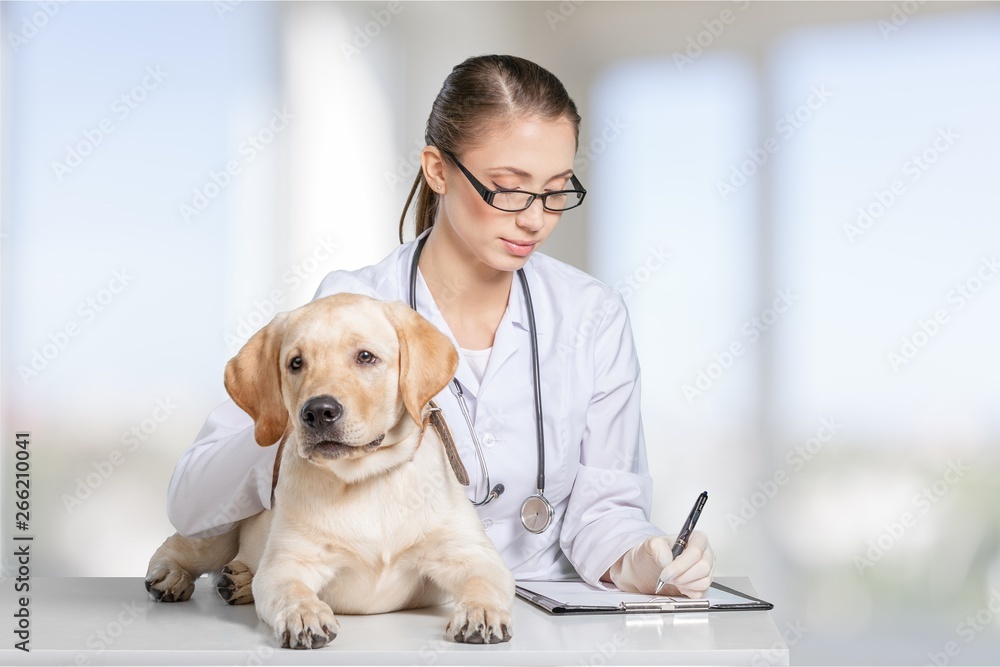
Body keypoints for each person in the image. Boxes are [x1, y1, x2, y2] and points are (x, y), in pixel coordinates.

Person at [166, 54, 714, 597]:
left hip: (546, 625)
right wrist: (293, 419)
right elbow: (192, 504)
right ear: (438, 169)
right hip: (396, 623)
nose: (535, 218)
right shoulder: (354, 307)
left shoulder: (591, 314)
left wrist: (643, 558)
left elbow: (607, 509)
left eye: (556, 191)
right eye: (508, 187)